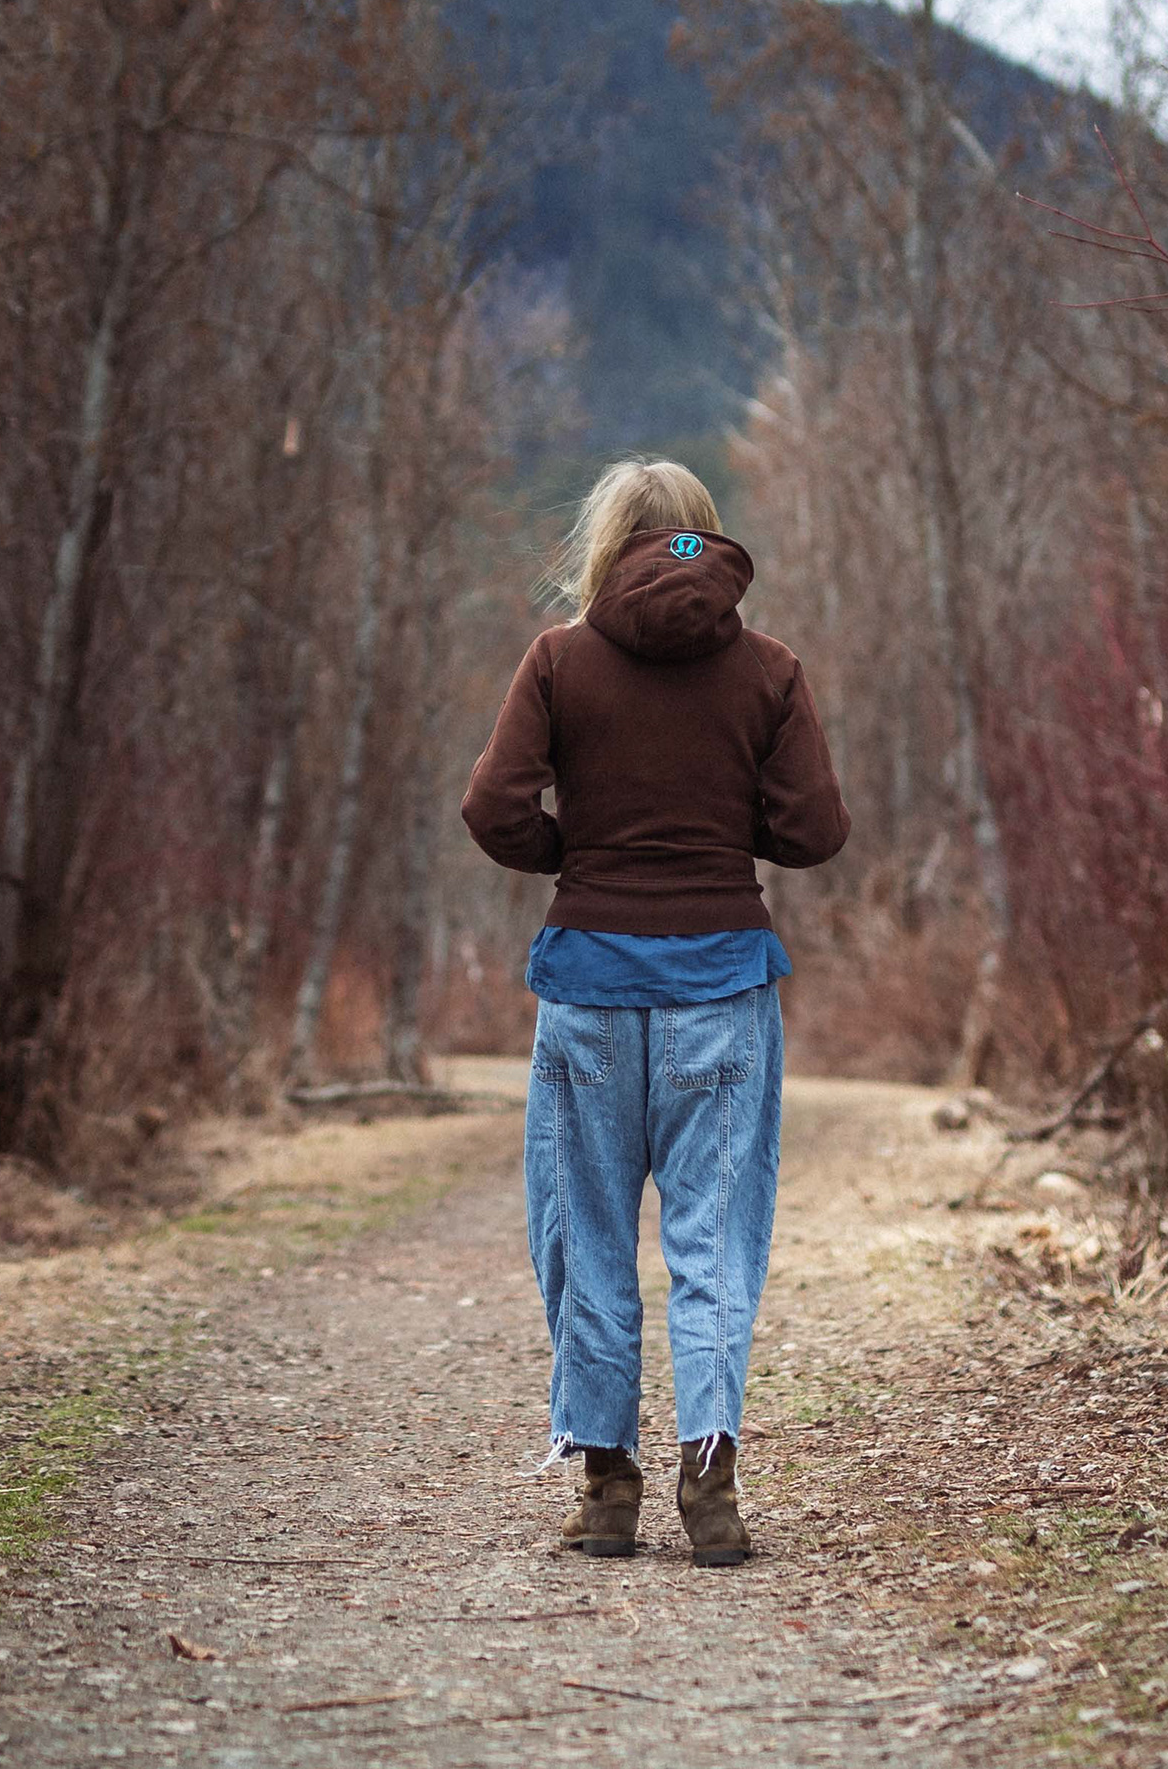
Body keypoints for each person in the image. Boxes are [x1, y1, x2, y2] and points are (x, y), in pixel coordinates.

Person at [459, 457, 849, 1567]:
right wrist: (724, 838)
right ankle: (711, 1483)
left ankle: (607, 1485)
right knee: (715, 1242)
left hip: (586, 989)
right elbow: (816, 828)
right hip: (720, 989)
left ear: (608, 540)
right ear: (708, 541)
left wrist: (574, 853)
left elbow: (491, 807)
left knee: (585, 1237)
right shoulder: (769, 670)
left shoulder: (559, 659)